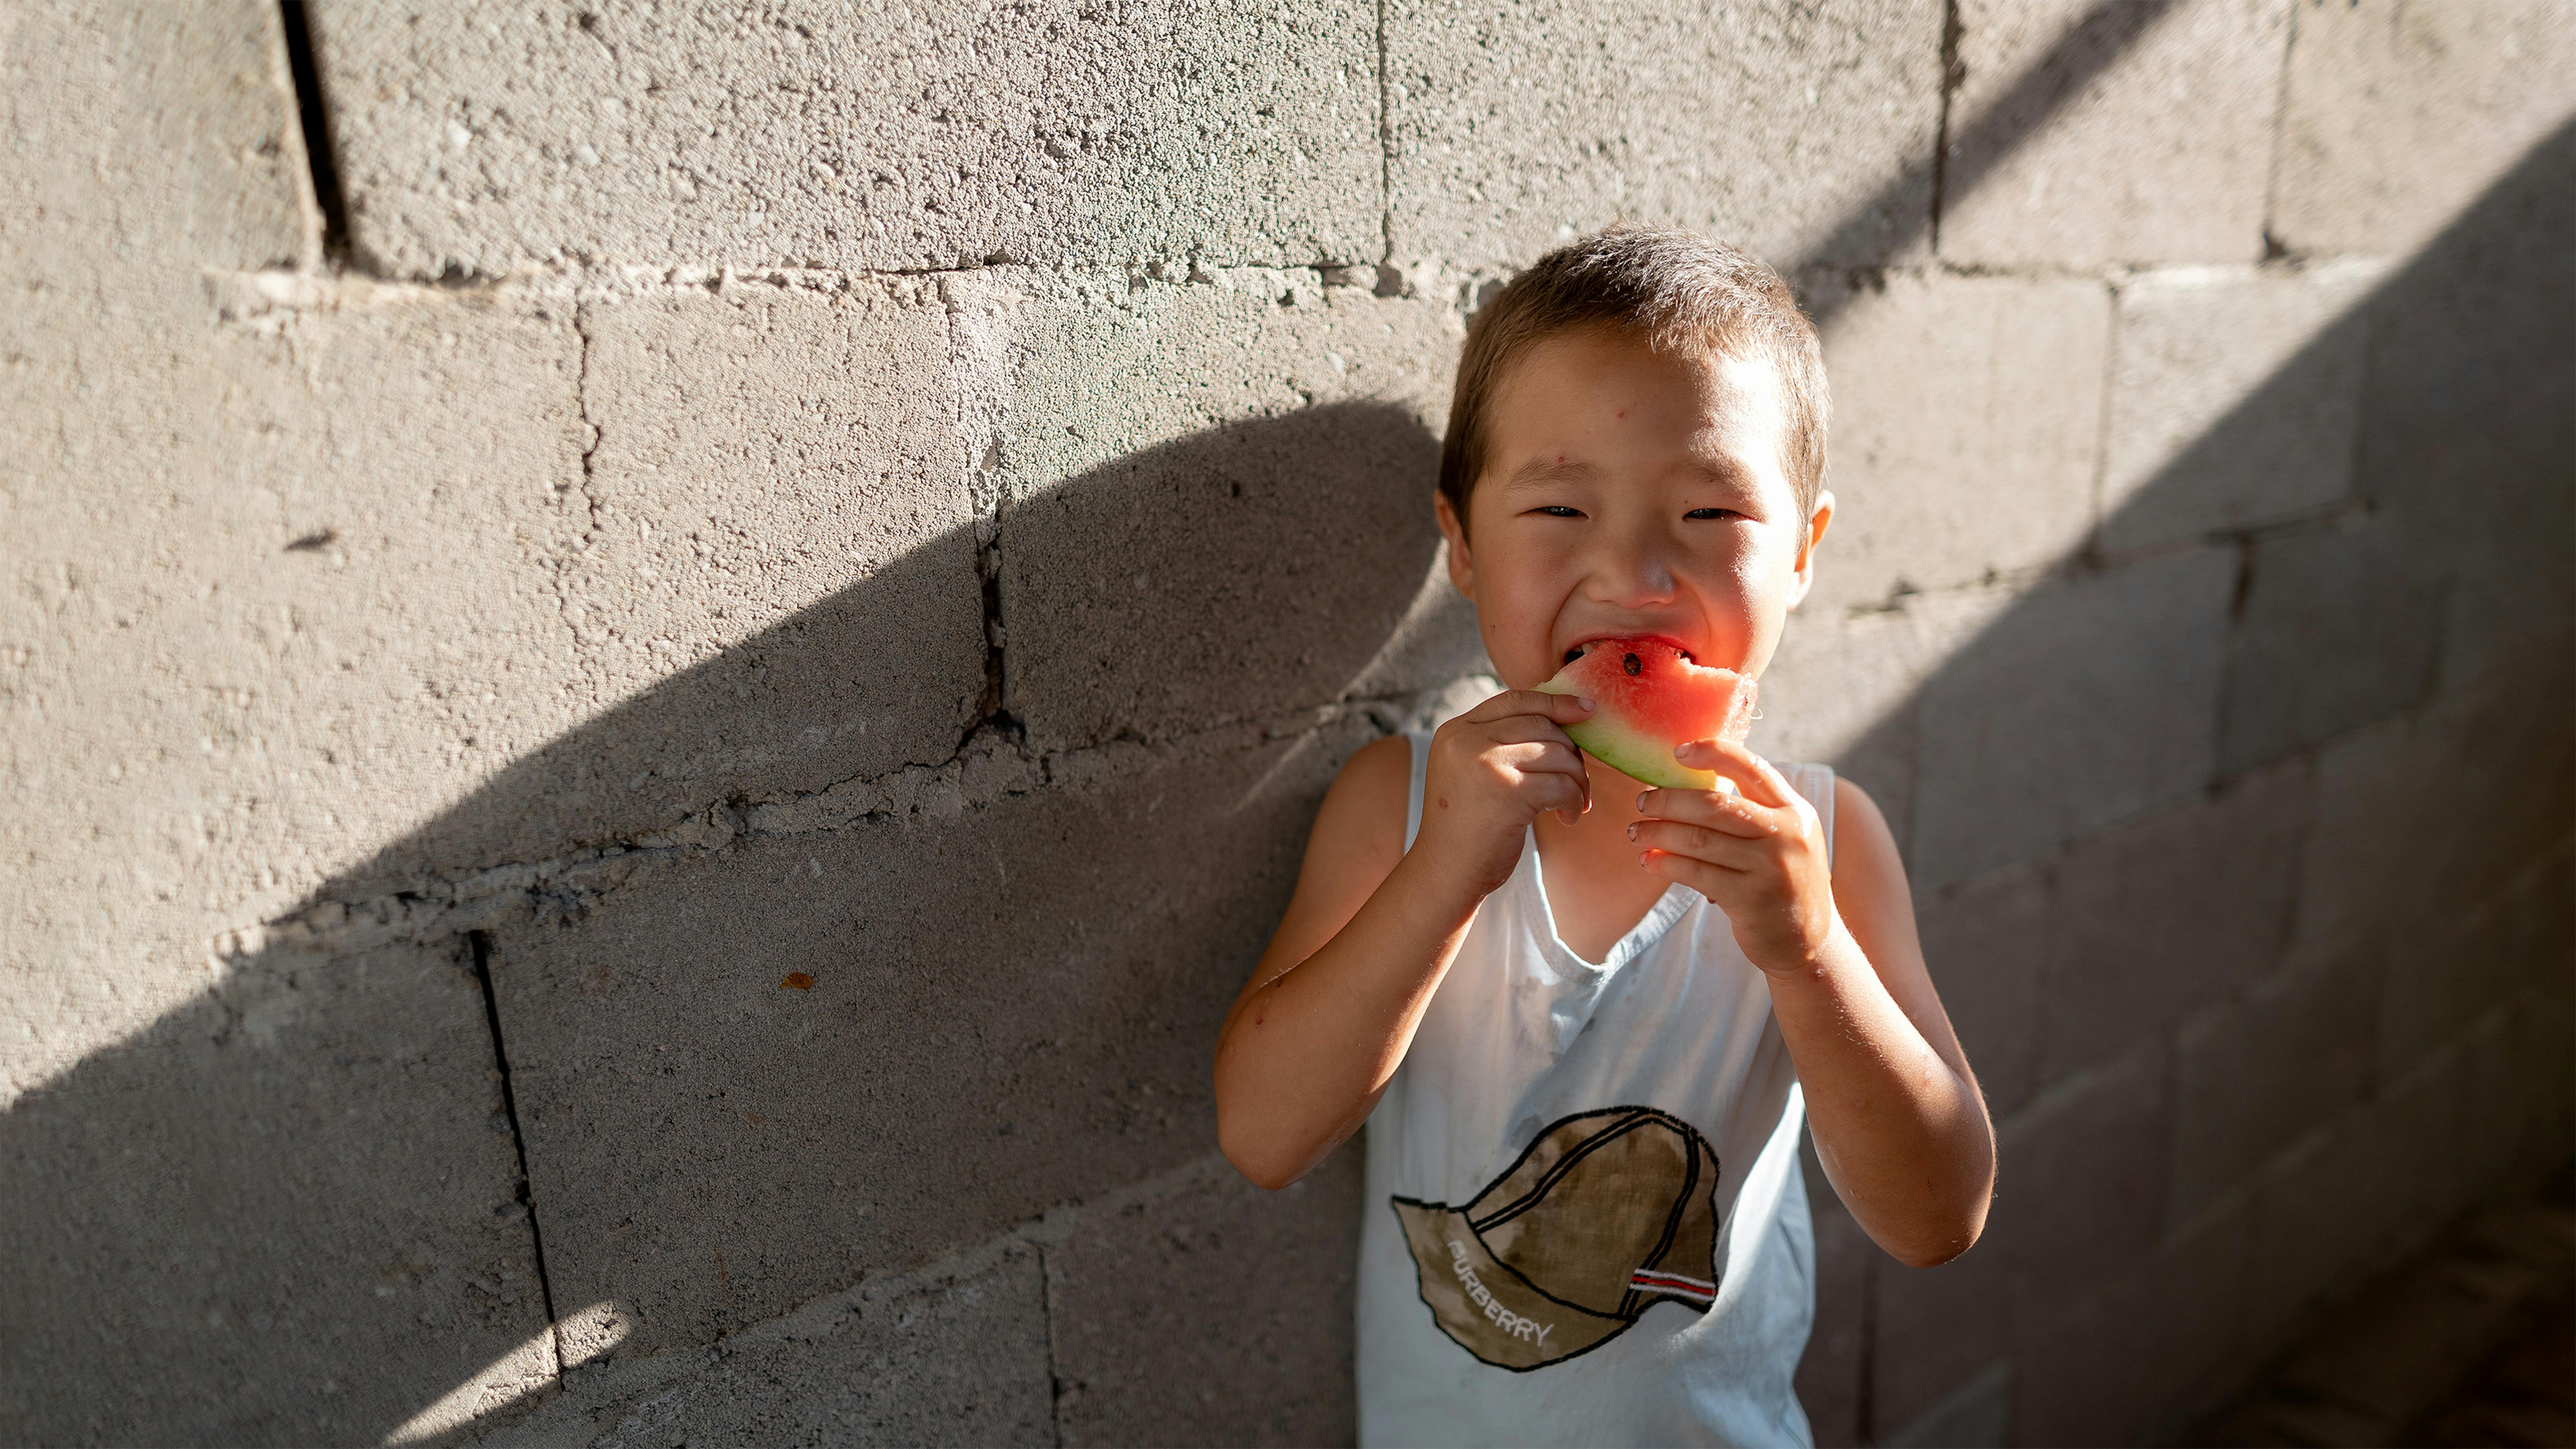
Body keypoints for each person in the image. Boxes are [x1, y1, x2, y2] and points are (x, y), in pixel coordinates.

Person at [1210, 227, 1996, 1447]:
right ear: (1461, 545)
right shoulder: (1397, 803)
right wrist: (1440, 876)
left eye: (1706, 510)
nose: (1631, 568)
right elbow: (1262, 1136)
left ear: (1800, 551)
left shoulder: (1826, 842)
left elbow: (1939, 1214)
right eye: (1560, 505)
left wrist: (1805, 951)